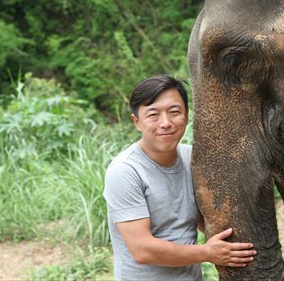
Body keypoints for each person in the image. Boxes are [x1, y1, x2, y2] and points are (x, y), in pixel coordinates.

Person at [103, 75, 256, 280]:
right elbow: (142, 250)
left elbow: (206, 219)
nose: (165, 123)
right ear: (137, 121)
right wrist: (208, 253)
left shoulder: (192, 158)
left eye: (174, 112)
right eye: (153, 115)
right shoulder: (125, 171)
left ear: (186, 115)